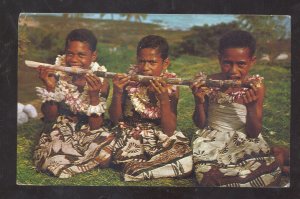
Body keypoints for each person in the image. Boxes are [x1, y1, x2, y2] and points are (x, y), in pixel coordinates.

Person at [191, 30, 281, 187]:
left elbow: (253, 132)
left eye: (241, 64)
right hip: (212, 139)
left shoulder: (255, 87)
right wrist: (198, 102)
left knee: (258, 167)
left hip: (244, 137)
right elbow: (200, 123)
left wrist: (251, 107)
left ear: (252, 61)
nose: (233, 71)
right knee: (209, 177)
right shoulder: (209, 82)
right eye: (227, 63)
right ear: (219, 59)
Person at [109, 35, 192, 181]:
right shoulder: (128, 81)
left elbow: (169, 129)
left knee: (185, 159)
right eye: (142, 61)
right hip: (130, 134)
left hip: (159, 136)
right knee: (110, 151)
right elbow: (116, 120)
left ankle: (139, 169)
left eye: (152, 62)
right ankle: (146, 167)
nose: (145, 68)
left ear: (165, 63)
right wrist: (117, 92)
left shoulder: (171, 87)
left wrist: (164, 100)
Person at [33, 29, 114, 178]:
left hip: (89, 126)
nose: (74, 60)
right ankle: (74, 157)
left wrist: (94, 96)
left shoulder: (102, 82)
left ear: (93, 56)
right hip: (61, 125)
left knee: (106, 155)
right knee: (51, 148)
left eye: (81, 55)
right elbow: (50, 117)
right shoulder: (57, 75)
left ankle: (71, 157)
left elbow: (96, 125)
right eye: (70, 53)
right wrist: (50, 86)